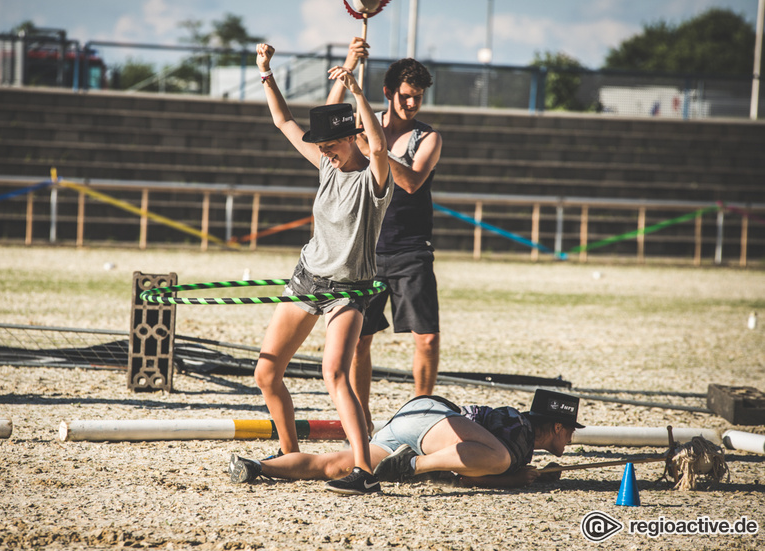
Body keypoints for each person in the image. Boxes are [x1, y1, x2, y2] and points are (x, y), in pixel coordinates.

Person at [251, 43, 393, 495]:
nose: (326, 153)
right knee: (266, 373)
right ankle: (289, 452)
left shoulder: (374, 178)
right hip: (308, 279)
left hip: (349, 291)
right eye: (323, 147)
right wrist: (266, 72)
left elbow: (382, 146)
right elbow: (282, 122)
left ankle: (363, 467)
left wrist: (356, 90)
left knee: (335, 373)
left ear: (351, 137)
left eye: (332, 145)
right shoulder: (327, 169)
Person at [326, 38, 443, 433]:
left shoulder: (427, 138)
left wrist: (374, 148)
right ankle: (363, 421)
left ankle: (420, 419)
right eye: (406, 96)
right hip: (366, 249)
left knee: (426, 339)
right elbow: (325, 120)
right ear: (388, 93)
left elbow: (410, 182)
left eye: (418, 98)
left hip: (411, 250)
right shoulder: (363, 121)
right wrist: (348, 63)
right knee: (360, 342)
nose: (412, 104)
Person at [229, 389, 585, 494]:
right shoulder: (520, 434)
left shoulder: (515, 425)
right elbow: (471, 476)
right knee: (500, 459)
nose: (571, 438)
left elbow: (466, 466)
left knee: (334, 464)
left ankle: (257, 466)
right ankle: (411, 466)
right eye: (569, 430)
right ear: (555, 427)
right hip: (434, 421)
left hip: (414, 417)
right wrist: (516, 478)